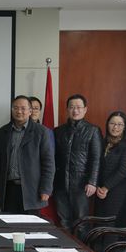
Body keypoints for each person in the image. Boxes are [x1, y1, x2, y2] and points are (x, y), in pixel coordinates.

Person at [0, 95, 55, 214]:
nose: (19, 111)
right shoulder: (3, 131)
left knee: (30, 224)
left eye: (23, 108)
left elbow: (48, 163)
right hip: (8, 189)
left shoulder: (41, 132)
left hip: (32, 190)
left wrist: (46, 189)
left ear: (30, 111)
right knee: (8, 224)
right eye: (15, 108)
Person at [54, 94, 102, 230]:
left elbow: (96, 158)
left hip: (82, 184)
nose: (75, 110)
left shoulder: (93, 130)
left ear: (85, 109)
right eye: (72, 107)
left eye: (79, 107)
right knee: (64, 222)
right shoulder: (58, 131)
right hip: (60, 183)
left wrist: (92, 182)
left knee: (81, 222)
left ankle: (81, 245)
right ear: (67, 109)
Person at [95, 111, 126, 217]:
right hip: (100, 190)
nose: (115, 127)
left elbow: (123, 171)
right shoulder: (102, 142)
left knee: (112, 221)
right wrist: (98, 185)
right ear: (107, 124)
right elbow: (97, 165)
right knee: (98, 220)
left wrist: (106, 187)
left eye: (120, 124)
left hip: (118, 191)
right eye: (112, 123)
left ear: (125, 127)